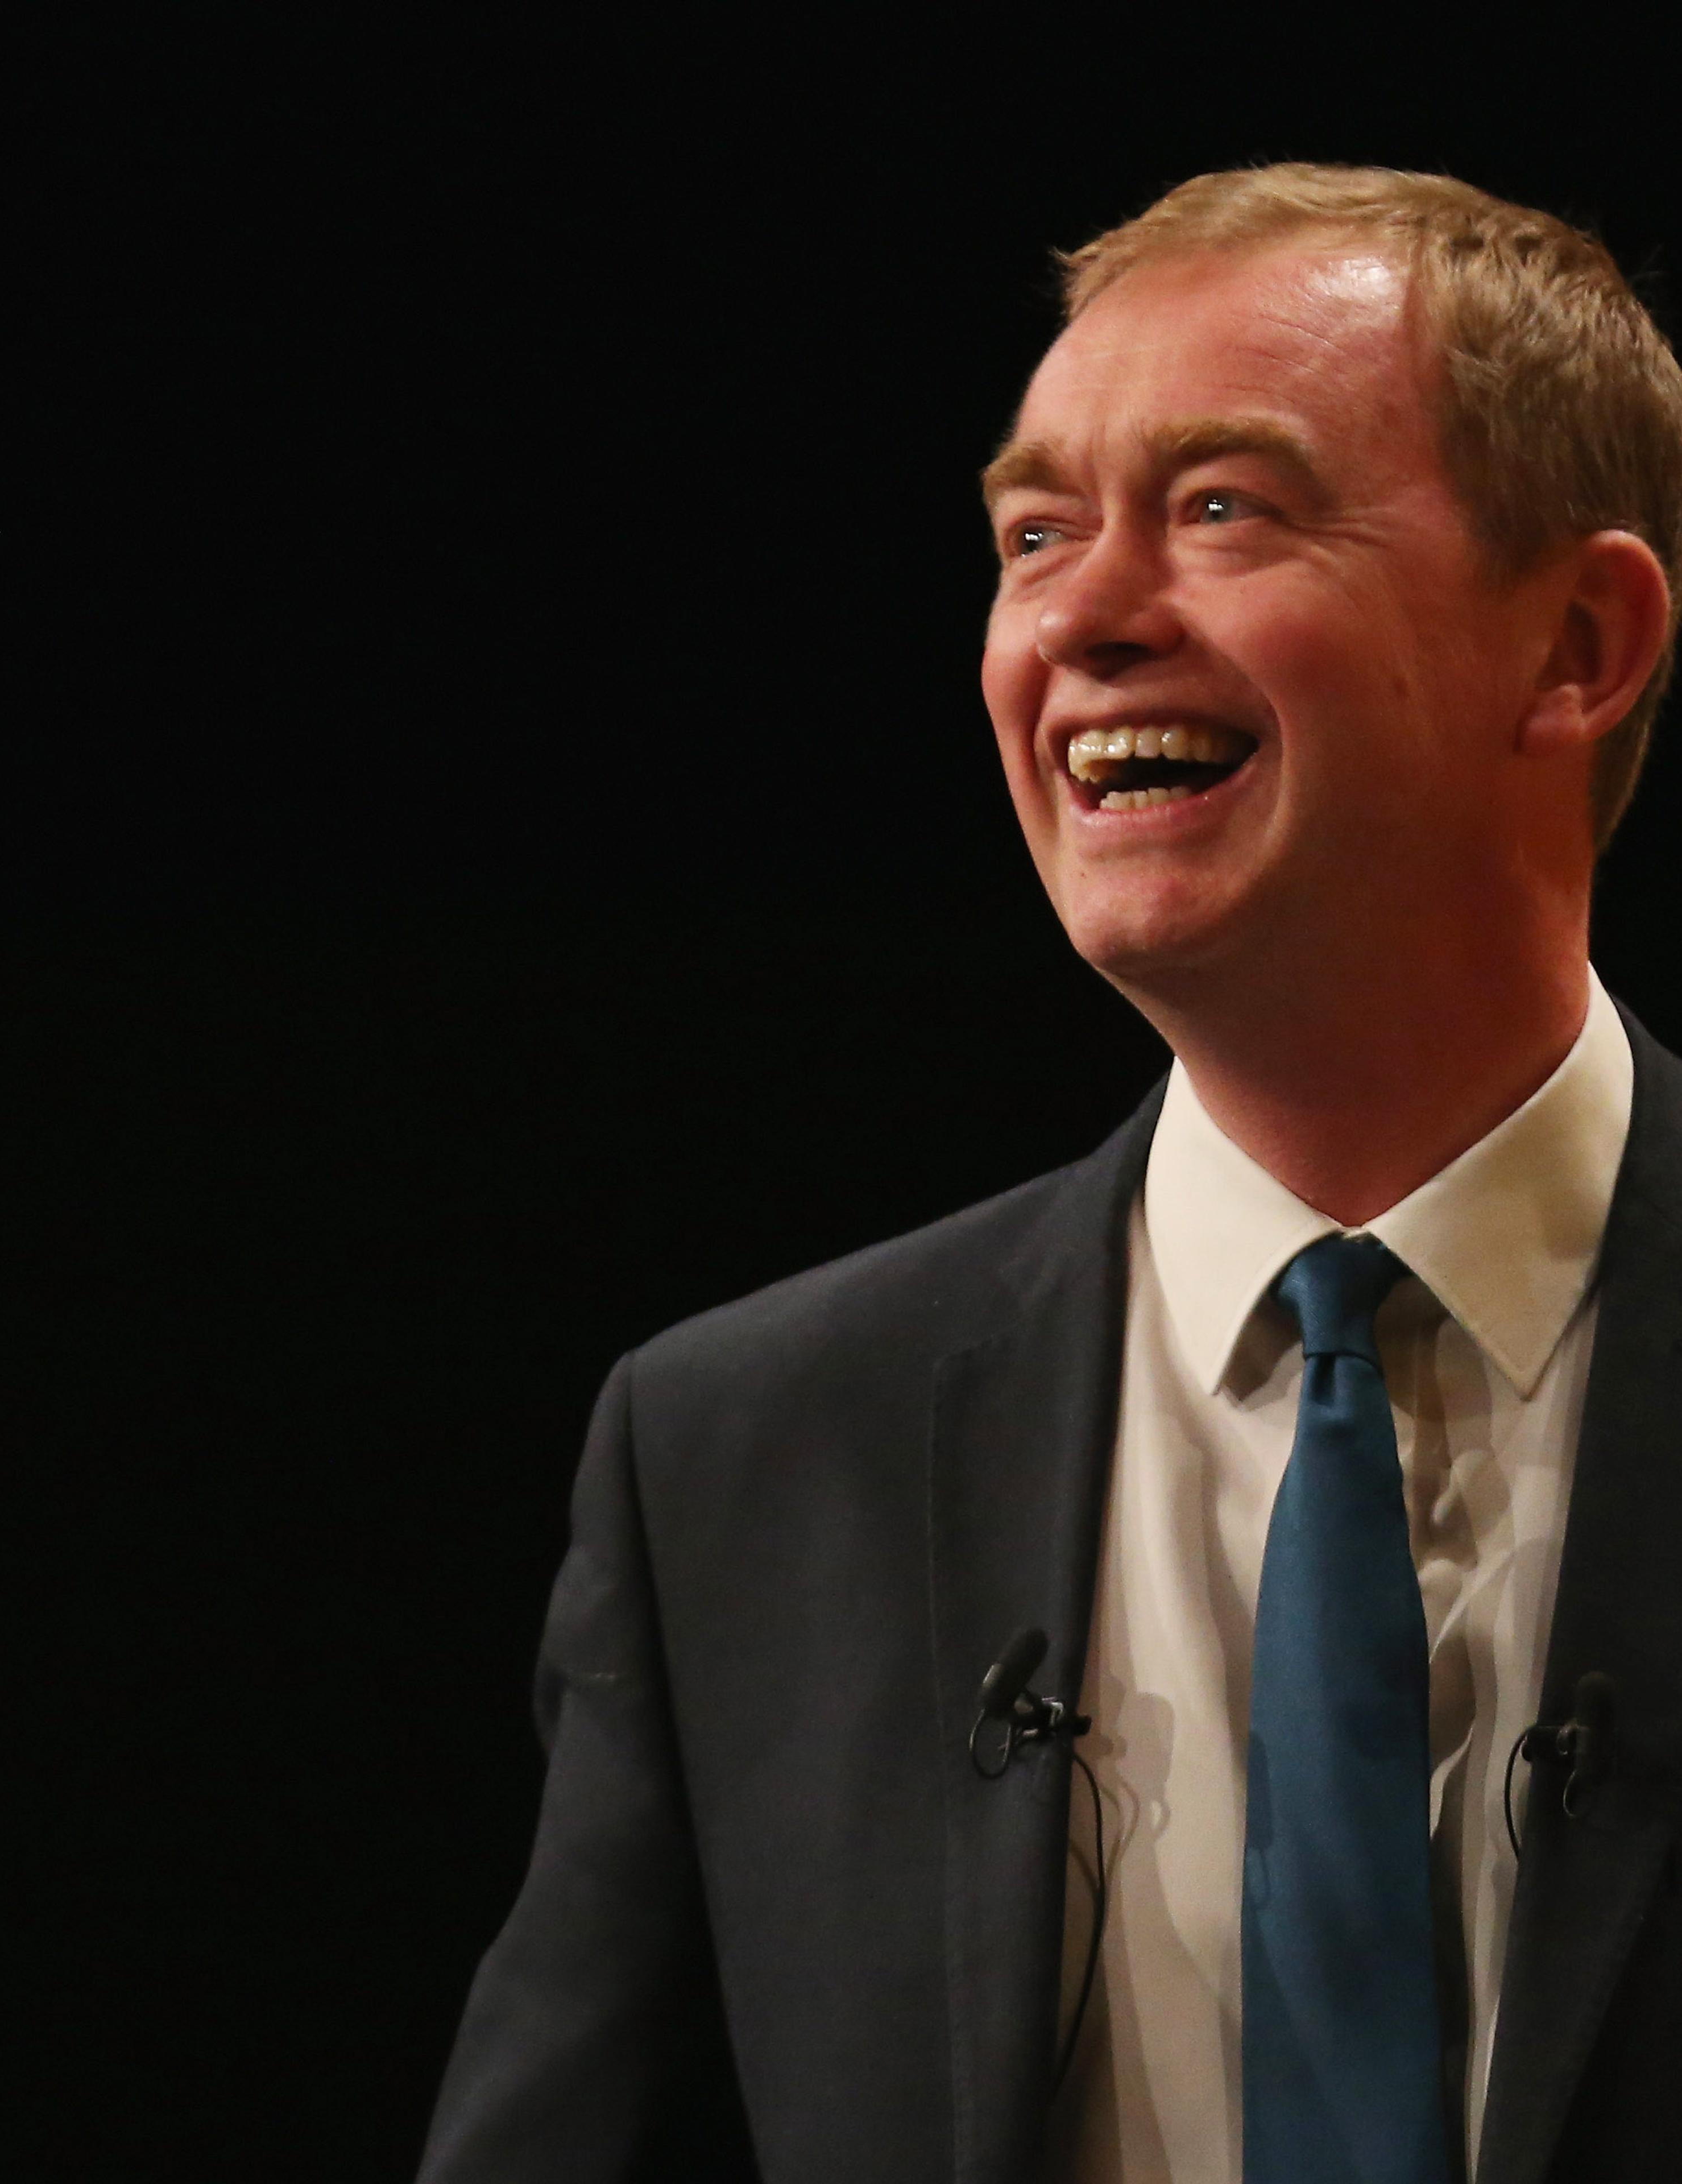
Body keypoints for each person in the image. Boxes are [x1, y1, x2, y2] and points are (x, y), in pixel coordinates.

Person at [417, 166, 1682, 2183]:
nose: (1082, 619)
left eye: (1222, 510)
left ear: (1580, 639)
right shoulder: (747, 1458)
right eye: (1034, 534)